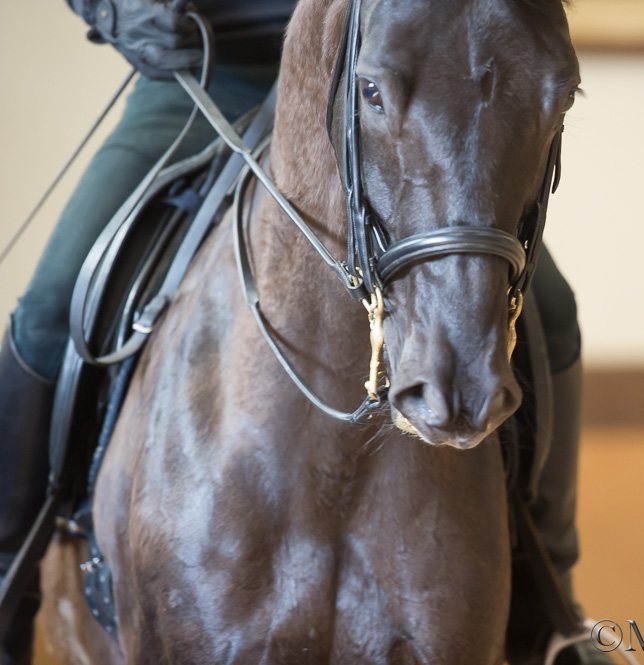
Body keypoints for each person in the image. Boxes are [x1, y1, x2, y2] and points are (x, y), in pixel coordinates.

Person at [0, 1, 592, 664]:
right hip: (206, 71)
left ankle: (552, 609)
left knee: (551, 308)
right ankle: (6, 589)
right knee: (51, 307)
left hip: (401, 59)